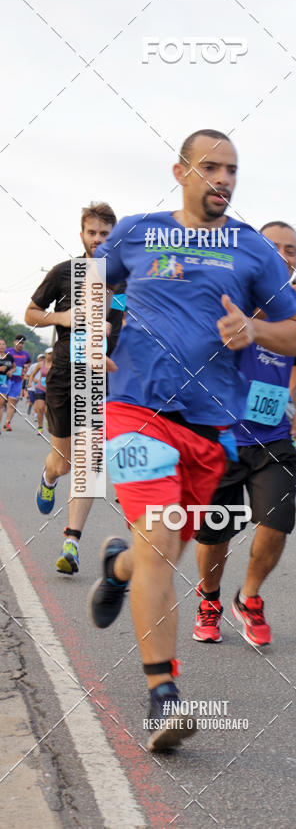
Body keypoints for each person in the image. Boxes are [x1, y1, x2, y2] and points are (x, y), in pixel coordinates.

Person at [86, 129, 296, 752]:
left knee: (161, 552)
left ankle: (118, 566)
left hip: (209, 428)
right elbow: (88, 286)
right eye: (211, 167)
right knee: (160, 541)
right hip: (136, 410)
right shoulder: (137, 231)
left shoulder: (253, 250)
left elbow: (295, 336)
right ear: (180, 170)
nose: (224, 179)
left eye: (233, 169)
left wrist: (254, 329)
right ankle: (163, 696)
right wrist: (95, 342)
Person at [193, 220, 296, 647]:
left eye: (292, 250)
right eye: (274, 247)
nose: (284, 255)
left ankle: (250, 596)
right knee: (215, 532)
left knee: (277, 522)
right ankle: (209, 600)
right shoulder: (223, 300)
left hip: (273, 438)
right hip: (219, 437)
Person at [25, 202, 118, 574]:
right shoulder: (64, 273)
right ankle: (48, 477)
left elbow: (125, 318)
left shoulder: (121, 280)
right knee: (63, 463)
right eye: (92, 233)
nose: (98, 240)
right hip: (63, 374)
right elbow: (32, 313)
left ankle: (71, 542)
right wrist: (61, 316)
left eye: (105, 235)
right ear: (82, 234)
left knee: (90, 463)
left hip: (100, 377)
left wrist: (112, 329)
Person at [4, 335, 31, 430]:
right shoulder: (7, 351)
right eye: (19, 342)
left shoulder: (26, 354)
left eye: (22, 343)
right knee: (1, 401)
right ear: (15, 342)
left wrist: (26, 367)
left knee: (12, 403)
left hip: (18, 381)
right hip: (5, 379)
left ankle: (7, 423)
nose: (20, 345)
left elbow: (28, 363)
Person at [27, 349, 52, 434]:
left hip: (51, 389)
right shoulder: (41, 364)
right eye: (49, 354)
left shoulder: (56, 364)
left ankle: (48, 423)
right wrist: (30, 382)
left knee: (47, 410)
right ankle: (40, 427)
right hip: (40, 388)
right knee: (40, 408)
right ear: (46, 354)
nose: (51, 355)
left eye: (52, 354)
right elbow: (32, 375)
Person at [0, 339, 15, 431]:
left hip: (4, 382)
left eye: (3, 344)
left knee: (0, 404)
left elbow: (14, 367)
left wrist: (11, 371)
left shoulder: (9, 357)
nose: (1, 346)